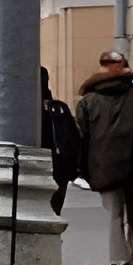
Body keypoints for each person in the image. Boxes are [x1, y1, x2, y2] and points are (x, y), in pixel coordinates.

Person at [73, 49, 133, 265]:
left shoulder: (87, 101)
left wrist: (81, 170)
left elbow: (80, 138)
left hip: (103, 168)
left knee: (113, 217)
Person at [41, 69, 81, 219]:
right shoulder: (59, 108)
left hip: (43, 164)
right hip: (59, 166)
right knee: (54, 210)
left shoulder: (25, 110)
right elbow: (74, 139)